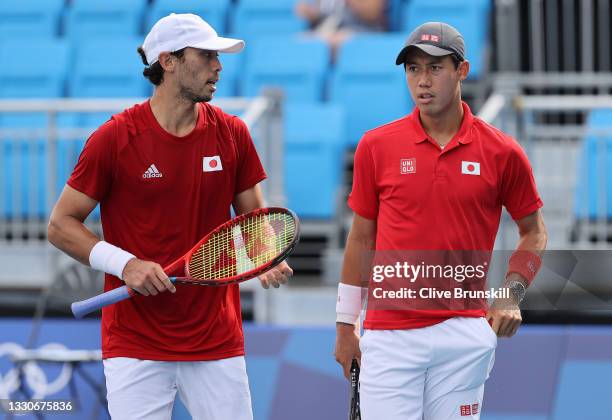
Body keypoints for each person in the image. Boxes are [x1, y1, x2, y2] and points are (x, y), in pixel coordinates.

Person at [47, 13, 293, 420]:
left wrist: (267, 254)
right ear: (168, 61)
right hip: (134, 343)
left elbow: (255, 223)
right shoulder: (114, 139)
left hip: (216, 339)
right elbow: (60, 226)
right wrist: (125, 265)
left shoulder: (233, 134)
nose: (219, 66)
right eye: (207, 55)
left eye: (218, 56)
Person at [334, 22, 547, 419]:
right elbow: (361, 239)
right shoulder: (375, 146)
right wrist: (346, 326)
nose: (422, 81)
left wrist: (512, 293)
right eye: (413, 69)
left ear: (462, 71)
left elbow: (534, 232)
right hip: (389, 336)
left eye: (435, 68)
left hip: (464, 331)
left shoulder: (503, 152)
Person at [295, 0, 387, 58]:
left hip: (364, 31)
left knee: (336, 40)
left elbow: (372, 13)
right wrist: (311, 13)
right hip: (331, 31)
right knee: (300, 40)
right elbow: (325, 15)